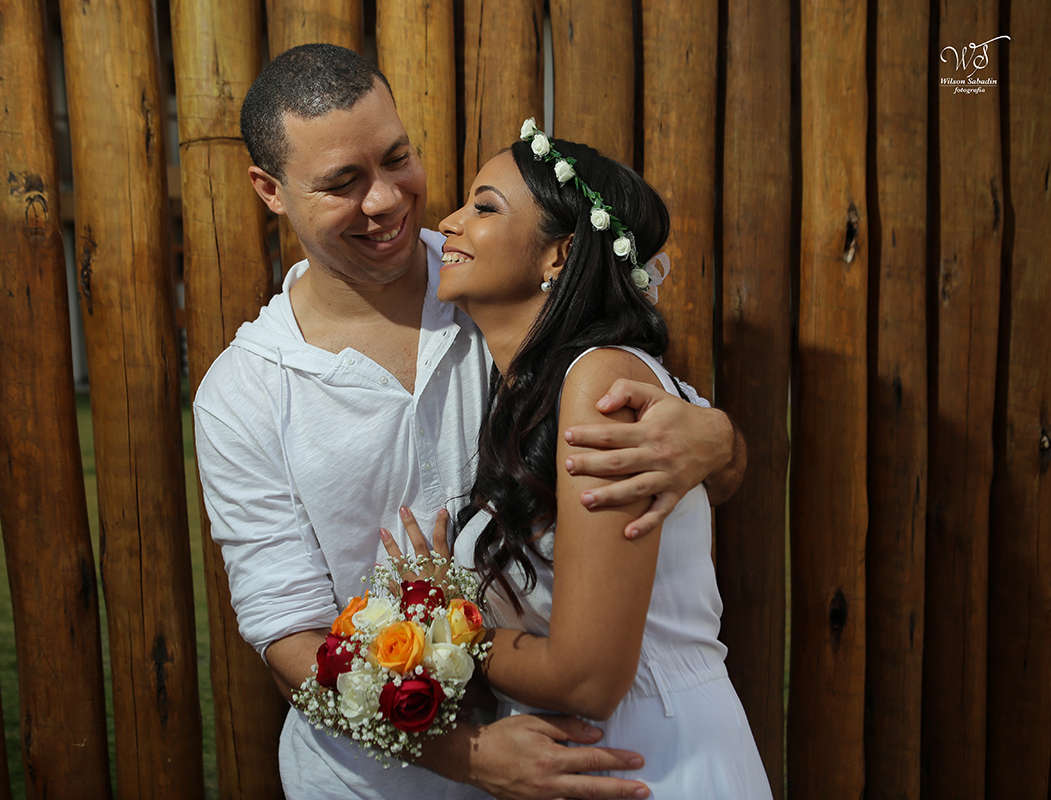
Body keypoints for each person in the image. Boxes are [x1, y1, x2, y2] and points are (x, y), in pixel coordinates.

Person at [193, 43, 745, 800]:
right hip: (368, 785)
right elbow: (289, 639)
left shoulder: (502, 291)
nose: (386, 201)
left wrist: (717, 440)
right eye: (343, 183)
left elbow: (683, 467)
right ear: (271, 189)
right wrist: (469, 756)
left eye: (397, 159)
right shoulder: (243, 393)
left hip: (575, 755)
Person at [390, 128, 771, 797]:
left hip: (649, 757)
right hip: (588, 759)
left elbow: (587, 678)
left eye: (484, 207)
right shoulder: (529, 392)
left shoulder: (600, 382)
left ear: (560, 254)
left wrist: (445, 624)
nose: (447, 222)